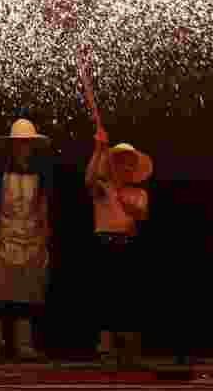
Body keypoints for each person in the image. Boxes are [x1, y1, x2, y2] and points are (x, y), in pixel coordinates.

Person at [0, 118, 53, 362]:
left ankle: (24, 344)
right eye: (20, 144)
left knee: (28, 292)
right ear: (12, 147)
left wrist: (43, 236)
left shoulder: (41, 175)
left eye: (27, 144)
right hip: (4, 238)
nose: (24, 148)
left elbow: (43, 207)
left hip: (31, 239)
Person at [85, 123, 153, 370]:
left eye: (128, 163)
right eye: (120, 162)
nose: (124, 166)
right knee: (106, 299)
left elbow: (141, 214)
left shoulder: (140, 194)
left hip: (128, 248)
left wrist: (125, 200)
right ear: (113, 165)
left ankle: (129, 352)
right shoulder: (103, 188)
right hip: (105, 246)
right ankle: (106, 351)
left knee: (128, 300)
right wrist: (98, 150)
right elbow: (90, 179)